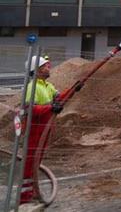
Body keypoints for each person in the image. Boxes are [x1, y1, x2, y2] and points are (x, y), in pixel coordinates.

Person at [20, 56, 62, 204]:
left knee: (36, 162)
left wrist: (74, 88)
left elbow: (58, 97)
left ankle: (33, 191)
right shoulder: (32, 87)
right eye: (45, 66)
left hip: (45, 127)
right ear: (37, 70)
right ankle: (25, 197)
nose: (49, 67)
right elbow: (30, 108)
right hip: (35, 128)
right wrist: (51, 107)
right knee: (31, 161)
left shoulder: (47, 85)